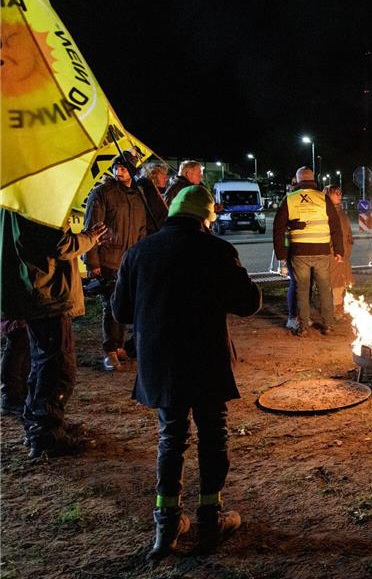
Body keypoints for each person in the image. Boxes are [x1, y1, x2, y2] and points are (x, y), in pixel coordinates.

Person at [112, 186, 262, 560]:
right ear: (205, 217)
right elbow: (248, 303)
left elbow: (120, 312)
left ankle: (167, 525)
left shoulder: (139, 252)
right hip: (207, 360)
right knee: (213, 434)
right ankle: (210, 518)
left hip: (161, 363)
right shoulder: (216, 250)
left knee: (171, 438)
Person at [1, 210, 108, 458]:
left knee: (41, 364)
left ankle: (38, 422)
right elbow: (60, 245)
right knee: (56, 367)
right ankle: (46, 433)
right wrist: (89, 237)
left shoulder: (13, 203)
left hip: (32, 291)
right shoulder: (39, 203)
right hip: (49, 293)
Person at [83, 155, 149, 371]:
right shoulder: (102, 193)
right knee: (111, 305)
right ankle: (110, 350)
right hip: (109, 259)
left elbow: (141, 230)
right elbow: (91, 227)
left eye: (123, 168)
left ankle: (120, 346)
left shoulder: (139, 197)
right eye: (116, 167)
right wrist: (92, 262)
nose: (118, 172)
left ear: (132, 171)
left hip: (131, 260)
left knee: (125, 304)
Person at [272, 167, 343, 337]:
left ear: (297, 180)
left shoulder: (289, 199)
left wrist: (281, 254)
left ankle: (303, 327)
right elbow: (335, 226)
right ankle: (328, 325)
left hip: (299, 251)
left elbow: (278, 228)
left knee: (301, 289)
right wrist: (339, 250)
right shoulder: (323, 198)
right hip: (322, 250)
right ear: (313, 179)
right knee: (324, 288)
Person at [327, 186, 354, 321]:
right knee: (334, 282)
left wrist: (349, 241)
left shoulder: (341, 211)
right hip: (333, 252)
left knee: (341, 282)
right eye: (336, 194)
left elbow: (347, 229)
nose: (339, 195)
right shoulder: (326, 211)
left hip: (343, 252)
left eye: (340, 193)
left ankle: (338, 308)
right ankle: (335, 310)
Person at [137, 160, 170, 235]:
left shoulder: (156, 191)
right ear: (154, 176)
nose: (166, 179)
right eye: (163, 176)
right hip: (151, 233)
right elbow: (154, 216)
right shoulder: (149, 192)